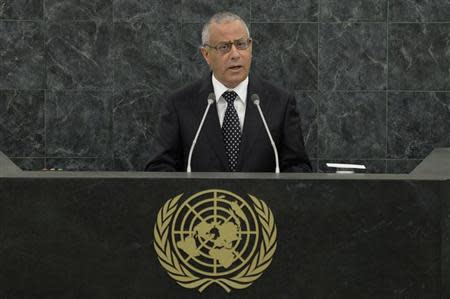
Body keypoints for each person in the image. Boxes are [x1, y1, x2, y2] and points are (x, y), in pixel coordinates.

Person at [145, 12, 311, 172]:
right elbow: (159, 169)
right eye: (224, 47)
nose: (235, 54)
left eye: (241, 44)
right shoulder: (179, 104)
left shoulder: (280, 103)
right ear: (206, 54)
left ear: (250, 47)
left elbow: (298, 169)